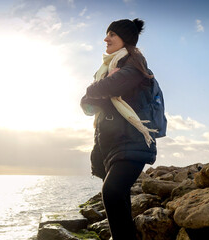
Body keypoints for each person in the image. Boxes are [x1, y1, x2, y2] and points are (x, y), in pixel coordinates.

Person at [80, 18, 158, 240]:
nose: (106, 39)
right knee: (118, 196)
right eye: (107, 34)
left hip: (132, 141)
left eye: (112, 34)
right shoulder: (108, 69)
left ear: (125, 38)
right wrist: (100, 88)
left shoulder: (134, 66)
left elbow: (99, 90)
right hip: (110, 144)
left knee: (112, 192)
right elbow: (86, 104)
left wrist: (98, 87)